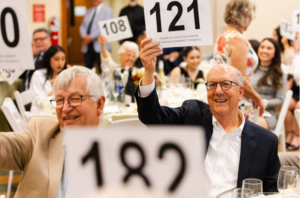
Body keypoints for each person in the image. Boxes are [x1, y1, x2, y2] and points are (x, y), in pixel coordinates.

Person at [136, 38, 280, 197]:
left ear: (240, 92)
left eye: (226, 84)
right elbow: (152, 116)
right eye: (212, 85)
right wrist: (149, 71)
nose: (218, 91)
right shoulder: (193, 115)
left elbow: (271, 193)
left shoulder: (265, 142)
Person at [0, 66, 105, 197]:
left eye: (75, 98)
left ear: (99, 104)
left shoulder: (116, 152)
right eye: (60, 100)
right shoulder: (41, 137)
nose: (66, 108)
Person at [214, 0, 264, 121]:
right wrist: (258, 99)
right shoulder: (238, 39)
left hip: (226, 96)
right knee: (243, 138)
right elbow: (239, 78)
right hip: (239, 100)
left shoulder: (223, 35)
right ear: (246, 15)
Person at [250, 38, 286, 130]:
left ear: (275, 53)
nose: (265, 50)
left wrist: (262, 102)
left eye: (269, 48)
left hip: (268, 114)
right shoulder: (250, 69)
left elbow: (280, 99)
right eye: (262, 47)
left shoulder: (279, 74)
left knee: (252, 125)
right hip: (248, 109)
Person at [30, 45, 67, 115]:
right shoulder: (38, 75)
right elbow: (39, 102)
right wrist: (54, 90)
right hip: (41, 113)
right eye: (56, 59)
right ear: (48, 59)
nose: (60, 63)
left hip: (60, 111)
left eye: (63, 59)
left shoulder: (66, 75)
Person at [80, 0, 112, 73]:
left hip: (100, 45)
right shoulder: (88, 11)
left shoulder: (107, 10)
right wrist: (84, 35)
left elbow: (104, 26)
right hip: (87, 45)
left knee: (103, 70)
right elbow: (82, 26)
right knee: (87, 70)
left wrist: (91, 37)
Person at [285, 36, 300, 151]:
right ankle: (290, 132)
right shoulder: (296, 57)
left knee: (299, 107)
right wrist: (285, 93)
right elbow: (290, 77)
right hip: (296, 89)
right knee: (285, 103)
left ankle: (298, 136)